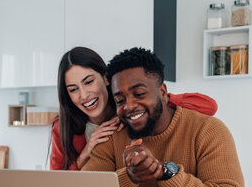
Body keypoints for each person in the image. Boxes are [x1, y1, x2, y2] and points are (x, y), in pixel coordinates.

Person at [82, 47, 245, 187]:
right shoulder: (113, 136)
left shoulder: (208, 130)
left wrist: (165, 172)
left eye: (139, 94)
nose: (128, 106)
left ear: (163, 92)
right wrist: (130, 177)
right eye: (120, 100)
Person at [50, 46, 218, 170]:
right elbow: (56, 186)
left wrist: (155, 99)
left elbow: (209, 106)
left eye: (88, 82)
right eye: (73, 89)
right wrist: (86, 152)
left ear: (105, 78)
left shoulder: (130, 113)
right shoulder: (63, 127)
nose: (84, 95)